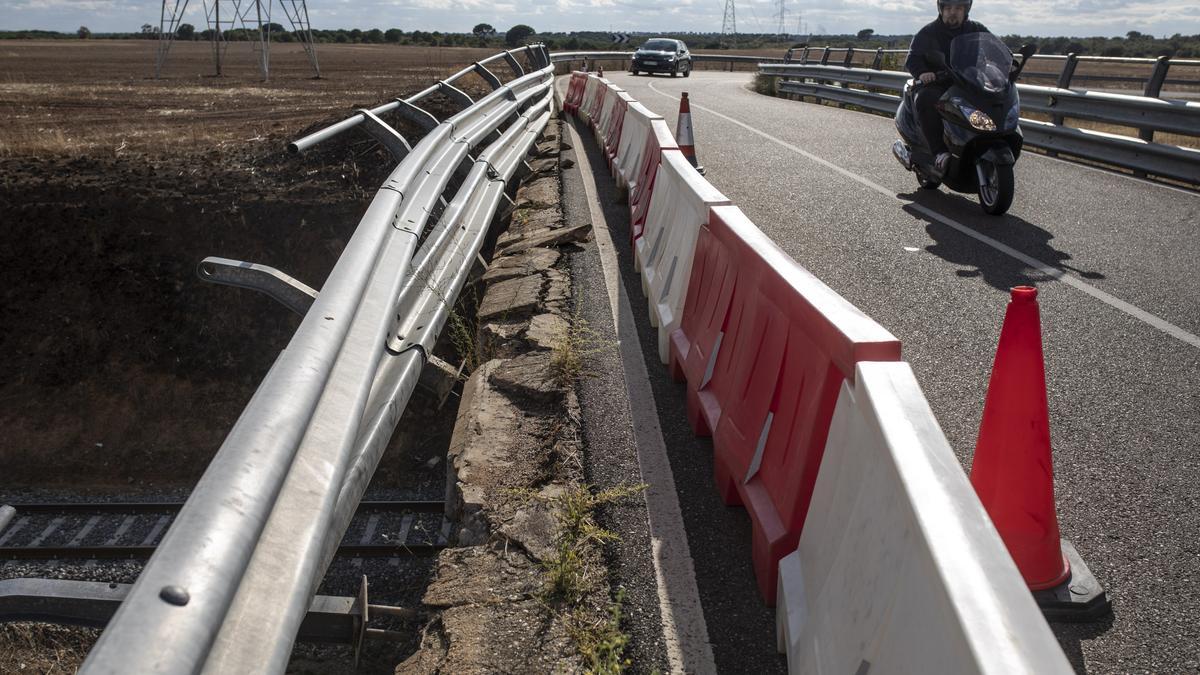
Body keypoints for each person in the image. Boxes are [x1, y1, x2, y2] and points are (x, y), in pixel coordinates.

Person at [904, 0, 990, 176]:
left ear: (966, 10)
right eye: (948, 8)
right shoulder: (928, 32)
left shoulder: (976, 29)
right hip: (937, 84)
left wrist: (1008, 65)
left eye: (958, 8)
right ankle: (939, 152)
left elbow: (993, 47)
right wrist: (923, 73)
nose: (953, 12)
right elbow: (912, 59)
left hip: (968, 83)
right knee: (926, 98)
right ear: (941, 10)